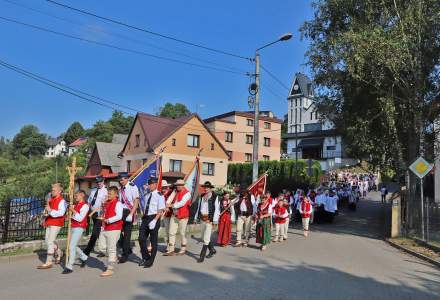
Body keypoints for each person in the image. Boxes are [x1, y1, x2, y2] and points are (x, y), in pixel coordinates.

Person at [37, 183, 66, 269]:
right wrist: (44, 216)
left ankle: (48, 262)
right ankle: (60, 253)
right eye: (52, 190)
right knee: (47, 241)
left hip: (56, 223)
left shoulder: (62, 201)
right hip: (49, 221)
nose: (52, 191)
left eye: (54, 190)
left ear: (59, 191)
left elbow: (61, 213)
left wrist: (50, 211)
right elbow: (47, 210)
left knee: (50, 242)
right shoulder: (51, 199)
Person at [138, 177, 165, 268]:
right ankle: (146, 257)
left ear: (155, 184)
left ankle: (151, 261)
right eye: (149, 184)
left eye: (151, 184)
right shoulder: (147, 195)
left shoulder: (159, 195)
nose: (150, 186)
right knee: (141, 238)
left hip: (154, 218)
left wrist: (155, 220)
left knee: (153, 240)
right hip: (145, 218)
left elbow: (160, 209)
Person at [63, 190, 90, 274]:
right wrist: (68, 216)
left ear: (82, 195)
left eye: (77, 195)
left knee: (71, 246)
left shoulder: (85, 206)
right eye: (75, 195)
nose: (75, 197)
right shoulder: (75, 205)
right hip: (73, 226)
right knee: (72, 245)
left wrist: (73, 211)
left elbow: (80, 218)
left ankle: (69, 266)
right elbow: (71, 216)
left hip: (79, 227)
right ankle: (84, 257)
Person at [100, 186, 123, 277]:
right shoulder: (107, 203)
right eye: (108, 193)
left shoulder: (118, 203)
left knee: (111, 249)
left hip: (114, 228)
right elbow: (103, 213)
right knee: (101, 247)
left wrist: (109, 220)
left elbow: (119, 216)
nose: (108, 195)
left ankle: (110, 268)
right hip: (105, 227)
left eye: (110, 194)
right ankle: (113, 257)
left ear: (116, 194)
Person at [164, 179, 191, 256]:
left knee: (182, 233)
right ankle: (171, 249)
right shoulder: (175, 191)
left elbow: (182, 203)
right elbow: (170, 199)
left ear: (183, 185)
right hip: (174, 214)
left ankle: (183, 248)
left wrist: (171, 205)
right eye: (177, 185)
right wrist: (167, 204)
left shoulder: (187, 193)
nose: (178, 186)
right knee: (171, 232)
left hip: (183, 216)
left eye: (179, 185)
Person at [117, 172, 139, 263]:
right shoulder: (121, 188)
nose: (120, 181)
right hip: (120, 211)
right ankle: (127, 249)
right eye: (120, 180)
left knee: (127, 234)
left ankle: (125, 255)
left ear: (126, 178)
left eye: (122, 179)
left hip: (129, 211)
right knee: (117, 232)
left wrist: (131, 214)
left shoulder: (133, 187)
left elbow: (136, 201)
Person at [83, 176, 108, 257]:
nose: (98, 183)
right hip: (93, 212)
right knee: (98, 232)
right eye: (97, 182)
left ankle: (87, 250)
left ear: (103, 181)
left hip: (100, 213)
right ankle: (103, 249)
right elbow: (90, 201)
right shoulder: (93, 190)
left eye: (100, 182)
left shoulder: (106, 191)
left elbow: (107, 203)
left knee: (95, 232)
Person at [194, 181, 217, 263]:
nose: (206, 188)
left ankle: (201, 256)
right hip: (202, 219)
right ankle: (212, 250)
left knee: (206, 238)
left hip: (209, 220)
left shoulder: (214, 196)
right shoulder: (202, 196)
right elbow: (199, 207)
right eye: (205, 187)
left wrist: (214, 221)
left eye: (208, 187)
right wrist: (196, 218)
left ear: (210, 188)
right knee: (203, 237)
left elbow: (217, 209)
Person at [161, 180, 174, 253]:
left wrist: (169, 207)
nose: (163, 189)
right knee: (166, 231)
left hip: (171, 214)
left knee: (170, 231)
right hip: (164, 215)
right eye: (162, 187)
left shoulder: (171, 193)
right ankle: (168, 245)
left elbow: (174, 203)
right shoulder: (160, 194)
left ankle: (171, 246)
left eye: (164, 187)